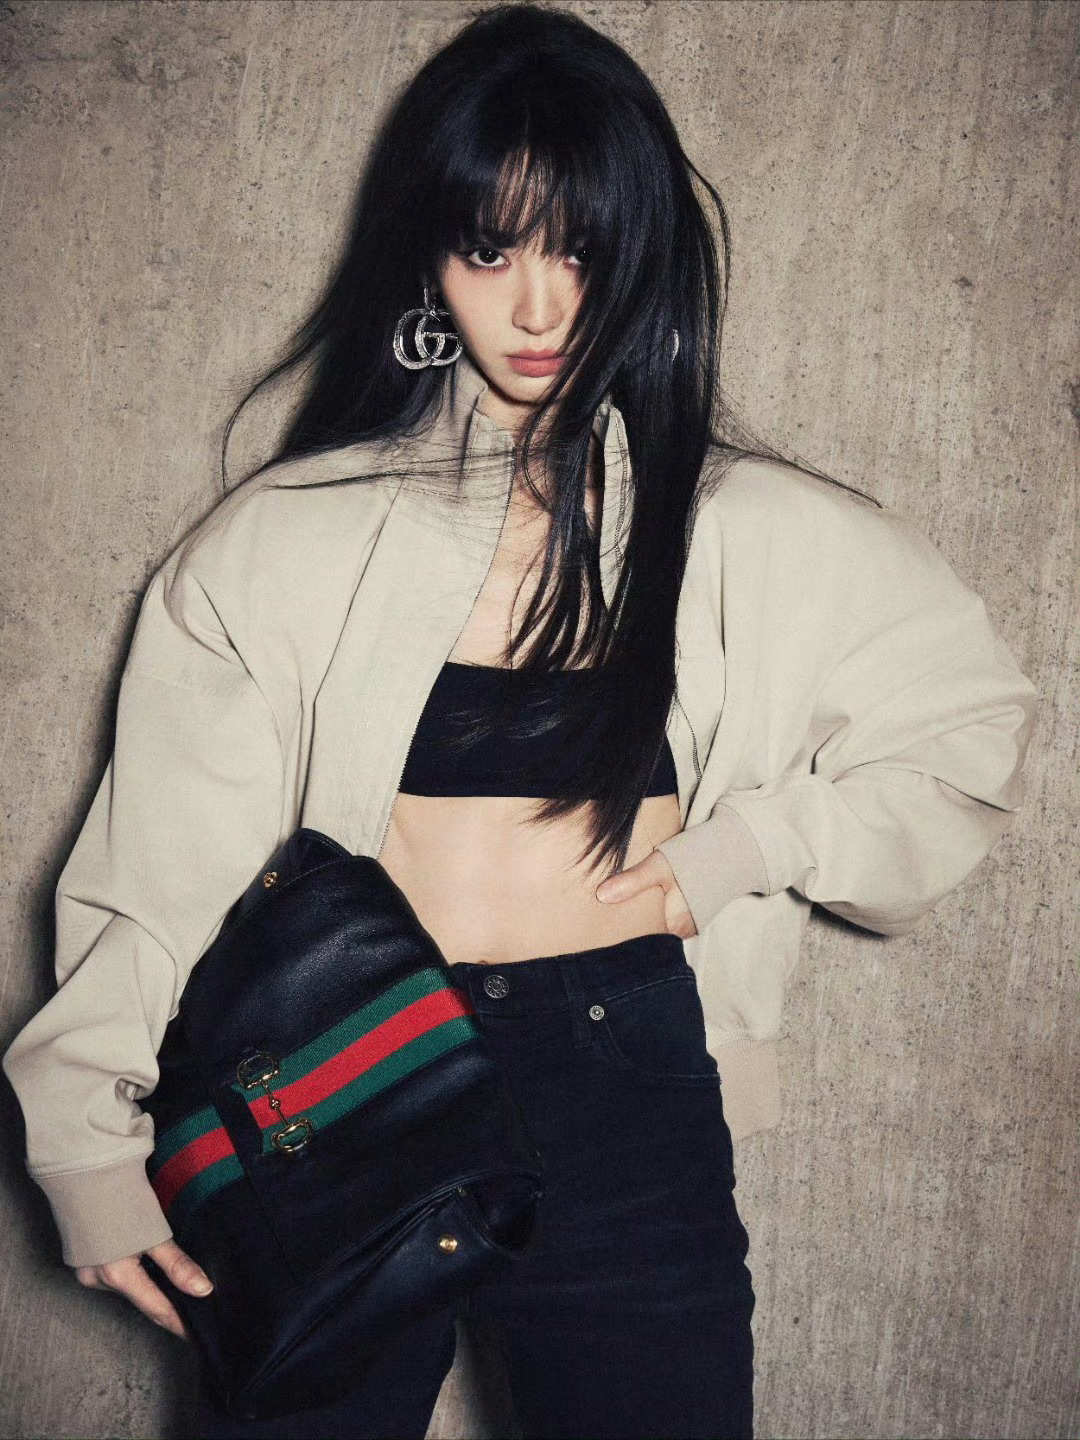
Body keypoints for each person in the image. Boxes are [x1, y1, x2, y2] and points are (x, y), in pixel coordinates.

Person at [2, 6, 1035, 1439]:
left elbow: (966, 742)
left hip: (623, 1081)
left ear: (645, 256)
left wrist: (742, 852)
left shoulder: (760, 529)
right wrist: (87, 1145)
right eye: (491, 252)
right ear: (428, 261)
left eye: (582, 251)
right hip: (339, 1079)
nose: (540, 308)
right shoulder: (284, 537)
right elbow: (164, 861)